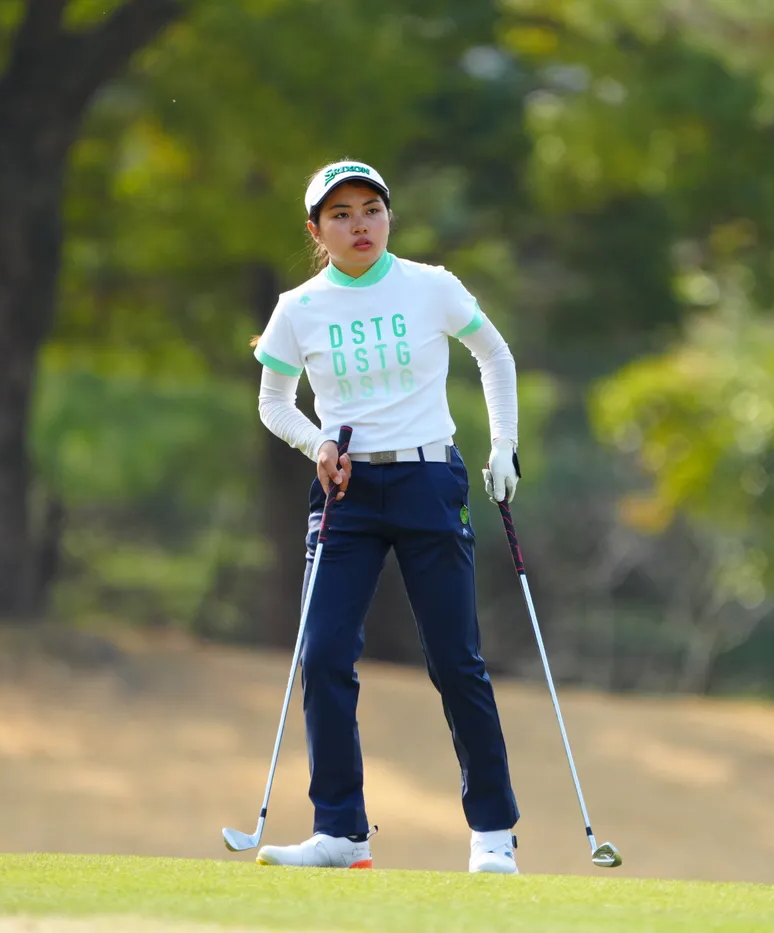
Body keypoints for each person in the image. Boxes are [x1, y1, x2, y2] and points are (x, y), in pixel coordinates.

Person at [249, 159, 524, 874]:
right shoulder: (298, 308)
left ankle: (493, 833)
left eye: (371, 209)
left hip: (429, 478)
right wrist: (316, 443)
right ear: (316, 231)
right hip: (345, 487)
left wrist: (504, 445)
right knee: (323, 654)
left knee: (455, 659)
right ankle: (341, 832)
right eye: (340, 215)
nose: (360, 224)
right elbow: (274, 402)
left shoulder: (431, 285)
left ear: (388, 216)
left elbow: (493, 354)